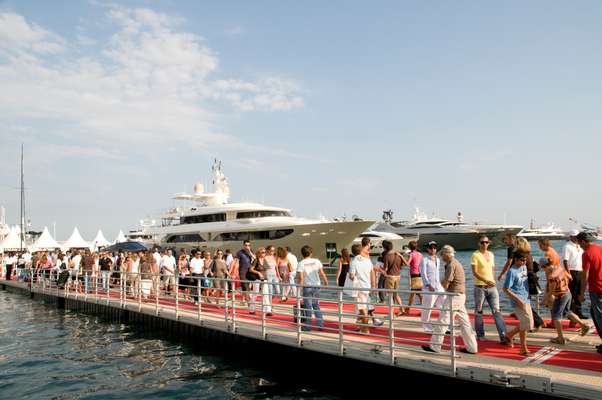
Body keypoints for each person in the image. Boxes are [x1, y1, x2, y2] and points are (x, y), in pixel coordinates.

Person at [422, 245, 478, 355]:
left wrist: (441, 283)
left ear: (447, 254)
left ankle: (435, 346)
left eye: (442, 254)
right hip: (460, 295)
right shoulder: (456, 263)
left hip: (454, 296)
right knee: (465, 322)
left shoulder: (451, 265)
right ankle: (472, 347)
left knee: (443, 320)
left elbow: (446, 284)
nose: (442, 257)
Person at [538, 238, 590, 344]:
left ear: (545, 266)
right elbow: (569, 277)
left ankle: (560, 338)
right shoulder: (559, 268)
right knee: (567, 312)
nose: (543, 270)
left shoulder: (552, 276)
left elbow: (551, 292)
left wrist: (544, 301)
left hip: (560, 296)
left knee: (556, 317)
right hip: (568, 293)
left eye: (543, 268)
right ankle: (583, 325)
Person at [471, 236, 507, 344]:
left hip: (492, 288)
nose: (484, 244)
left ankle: (503, 336)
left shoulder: (491, 254)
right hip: (480, 288)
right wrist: (486, 281)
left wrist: (493, 281)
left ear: (489, 243)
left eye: (486, 242)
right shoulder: (475, 255)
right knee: (479, 312)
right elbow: (475, 272)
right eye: (482, 242)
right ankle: (480, 335)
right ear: (479, 243)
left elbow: (492, 269)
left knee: (497, 311)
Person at [502, 251, 533, 356]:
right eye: (522, 260)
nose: (524, 262)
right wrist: (518, 300)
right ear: (516, 260)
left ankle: (509, 335)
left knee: (529, 324)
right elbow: (505, 289)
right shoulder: (512, 271)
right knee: (526, 323)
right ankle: (523, 349)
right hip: (518, 300)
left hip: (526, 297)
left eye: (525, 260)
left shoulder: (523, 267)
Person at [577, 232, 602, 354]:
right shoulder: (599, 248)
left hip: (597, 289)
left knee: (599, 316)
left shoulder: (586, 254)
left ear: (582, 241)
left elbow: (585, 275)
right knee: (594, 313)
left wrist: (581, 293)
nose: (578, 245)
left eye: (578, 242)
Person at [298, 245, 329, 331]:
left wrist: (298, 289)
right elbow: (322, 273)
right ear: (311, 253)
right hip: (317, 286)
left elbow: (301, 278)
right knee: (316, 305)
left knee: (308, 307)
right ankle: (320, 324)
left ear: (302, 254)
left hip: (307, 287)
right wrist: (326, 281)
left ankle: (307, 326)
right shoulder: (317, 261)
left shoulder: (301, 263)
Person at [349, 243, 378, 334]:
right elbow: (372, 273)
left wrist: (351, 277)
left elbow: (352, 276)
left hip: (359, 287)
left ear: (353, 252)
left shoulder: (354, 261)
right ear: (361, 250)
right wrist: (373, 286)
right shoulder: (367, 260)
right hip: (367, 286)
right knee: (364, 308)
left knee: (363, 309)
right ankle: (362, 327)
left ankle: (365, 329)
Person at [420, 241, 445, 332]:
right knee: (427, 308)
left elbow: (438, 273)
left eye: (435, 247)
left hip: (439, 287)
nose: (433, 249)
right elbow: (423, 273)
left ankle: (444, 325)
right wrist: (428, 284)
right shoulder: (424, 260)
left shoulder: (438, 260)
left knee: (443, 306)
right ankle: (427, 327)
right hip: (429, 288)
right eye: (431, 248)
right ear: (428, 249)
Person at [563, 229, 585, 319]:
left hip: (580, 271)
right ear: (571, 237)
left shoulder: (579, 246)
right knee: (572, 293)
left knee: (579, 292)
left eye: (577, 236)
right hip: (572, 271)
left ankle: (578, 312)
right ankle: (572, 314)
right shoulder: (567, 246)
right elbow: (565, 261)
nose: (576, 238)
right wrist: (568, 274)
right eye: (575, 236)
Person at [381, 241, 404, 315]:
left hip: (390, 277)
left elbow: (386, 269)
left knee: (390, 295)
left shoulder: (387, 256)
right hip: (398, 276)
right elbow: (401, 266)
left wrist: (381, 269)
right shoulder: (398, 255)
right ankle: (401, 308)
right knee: (396, 294)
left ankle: (391, 314)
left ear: (384, 248)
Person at [248, 247, 272, 315]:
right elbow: (251, 269)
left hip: (264, 279)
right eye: (262, 252)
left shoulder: (265, 260)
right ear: (259, 253)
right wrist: (258, 273)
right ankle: (252, 309)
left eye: (264, 252)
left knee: (266, 294)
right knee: (255, 293)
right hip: (257, 279)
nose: (264, 254)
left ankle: (268, 310)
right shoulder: (256, 260)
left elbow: (267, 268)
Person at [231, 240, 255, 306]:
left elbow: (255, 259)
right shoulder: (240, 252)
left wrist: (250, 252)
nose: (247, 246)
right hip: (242, 272)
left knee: (247, 287)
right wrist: (234, 273)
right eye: (246, 245)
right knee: (245, 286)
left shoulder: (251, 251)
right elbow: (237, 262)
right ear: (243, 245)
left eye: (248, 245)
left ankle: (246, 300)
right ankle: (249, 302)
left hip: (249, 272)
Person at [404, 240, 423, 314]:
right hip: (420, 274)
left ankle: (407, 309)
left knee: (414, 293)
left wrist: (402, 257)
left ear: (409, 247)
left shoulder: (411, 254)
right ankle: (408, 309)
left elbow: (407, 264)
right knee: (418, 293)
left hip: (414, 275)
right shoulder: (420, 254)